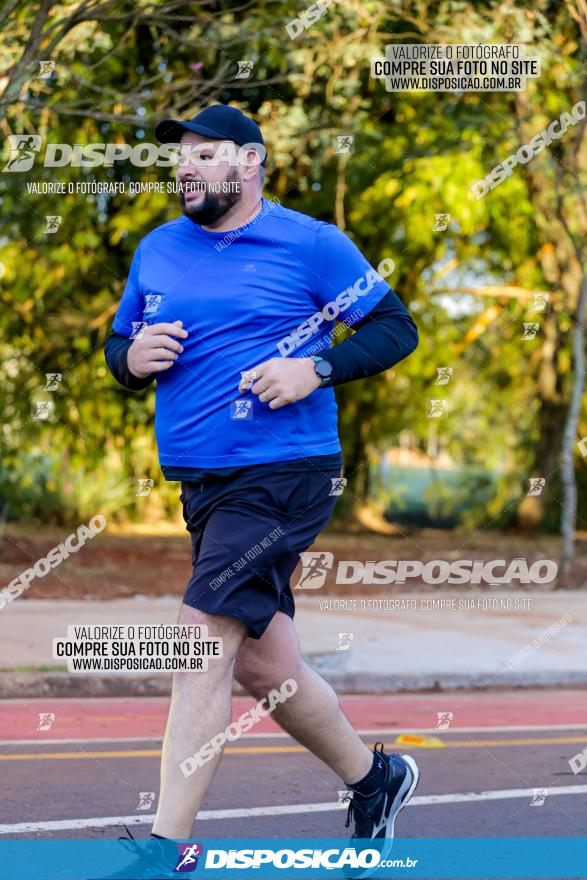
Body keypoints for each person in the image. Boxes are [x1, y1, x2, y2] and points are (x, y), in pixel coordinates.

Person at [105, 103, 419, 877]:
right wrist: (130, 356)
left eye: (206, 155)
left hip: (285, 472)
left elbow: (394, 327)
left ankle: (163, 851)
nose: (187, 168)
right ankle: (376, 780)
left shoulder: (311, 243)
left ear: (249, 162)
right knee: (263, 666)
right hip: (205, 482)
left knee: (201, 638)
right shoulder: (157, 248)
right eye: (181, 156)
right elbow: (120, 345)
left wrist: (313, 366)